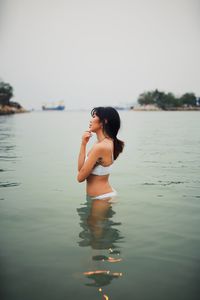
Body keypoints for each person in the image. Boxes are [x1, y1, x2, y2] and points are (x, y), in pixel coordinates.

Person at [77, 106, 124, 199]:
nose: (90, 120)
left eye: (94, 117)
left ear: (104, 121)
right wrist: (83, 144)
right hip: (101, 196)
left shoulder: (100, 147)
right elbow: (81, 170)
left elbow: (80, 178)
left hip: (102, 197)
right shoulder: (103, 143)